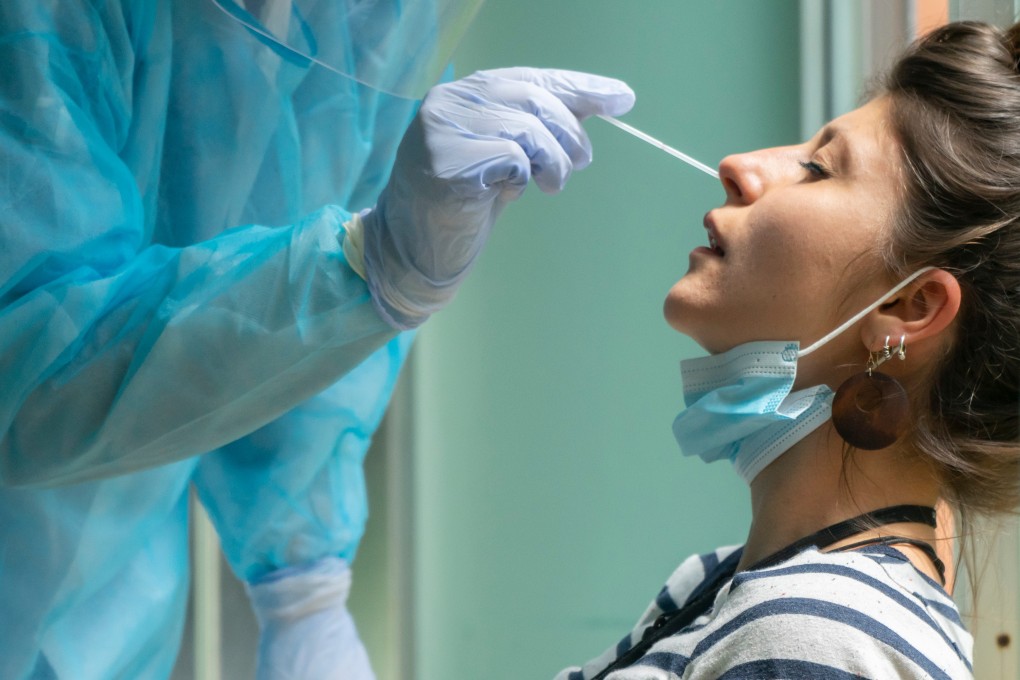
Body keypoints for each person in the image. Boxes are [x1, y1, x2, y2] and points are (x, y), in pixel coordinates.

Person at [0, 1, 635, 678]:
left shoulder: (380, 22)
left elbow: (285, 348)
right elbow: (28, 363)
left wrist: (303, 587)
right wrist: (366, 266)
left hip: (120, 599)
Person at [557, 20, 1020, 679]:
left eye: (816, 169)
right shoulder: (723, 588)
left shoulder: (811, 636)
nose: (739, 168)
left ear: (908, 308)